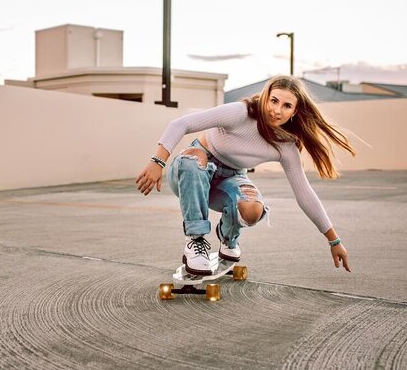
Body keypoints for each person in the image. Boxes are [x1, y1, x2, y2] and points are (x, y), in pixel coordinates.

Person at [135, 76, 355, 275]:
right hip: (191, 172)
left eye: (287, 106)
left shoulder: (286, 145)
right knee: (193, 160)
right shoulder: (240, 113)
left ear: (294, 112)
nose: (277, 110)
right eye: (274, 100)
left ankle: (228, 239)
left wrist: (334, 240)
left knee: (252, 209)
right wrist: (158, 161)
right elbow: (181, 123)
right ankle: (196, 242)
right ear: (266, 97)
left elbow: (304, 193)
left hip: (230, 179)